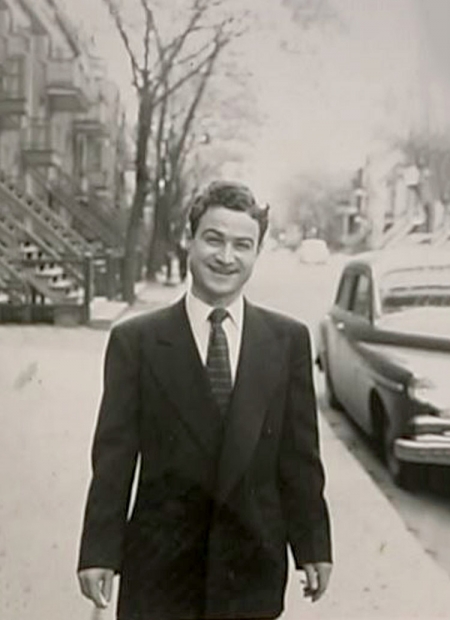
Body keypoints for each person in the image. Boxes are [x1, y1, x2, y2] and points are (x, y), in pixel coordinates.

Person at [77, 180, 333, 620]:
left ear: (256, 253)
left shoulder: (287, 339)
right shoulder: (137, 341)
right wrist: (99, 551)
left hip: (251, 565)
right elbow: (114, 457)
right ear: (189, 240)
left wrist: (312, 546)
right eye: (213, 239)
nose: (226, 257)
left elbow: (299, 456)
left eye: (242, 245)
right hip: (161, 567)